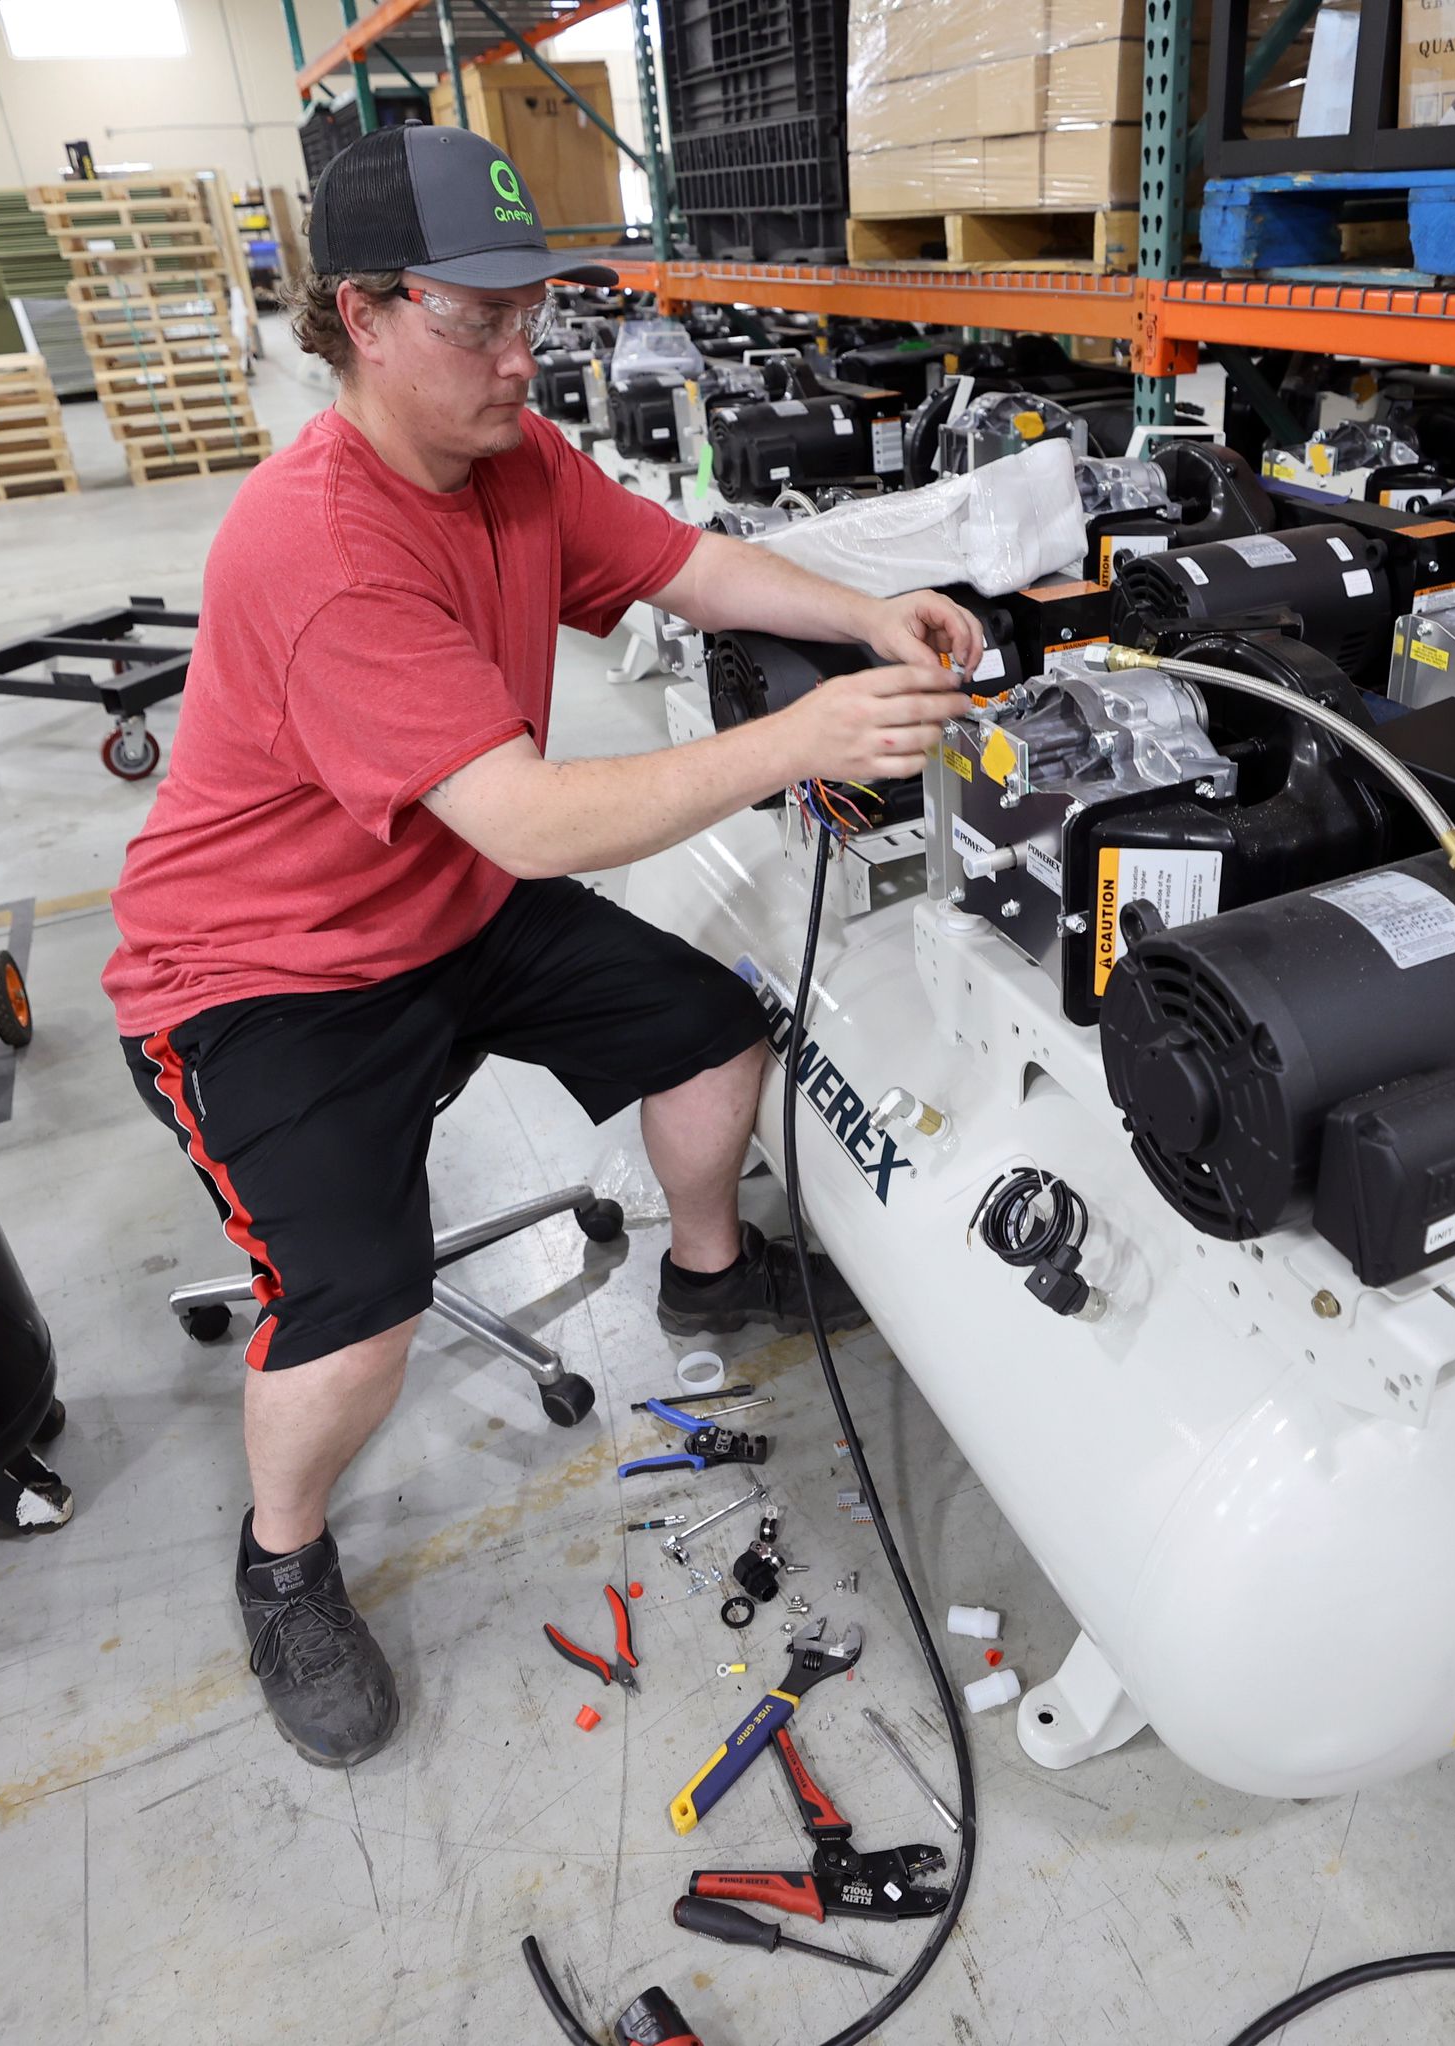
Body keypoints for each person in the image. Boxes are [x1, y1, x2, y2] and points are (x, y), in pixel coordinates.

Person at [101, 125, 979, 1768]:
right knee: (359, 1300)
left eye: (539, 312)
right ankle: (282, 1562)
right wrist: (810, 741)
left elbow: (684, 563)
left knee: (712, 1026)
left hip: (436, 897)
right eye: (479, 321)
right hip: (265, 971)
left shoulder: (511, 458)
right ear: (361, 316)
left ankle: (709, 1278)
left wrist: (862, 615)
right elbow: (538, 821)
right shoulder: (323, 548)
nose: (525, 357)